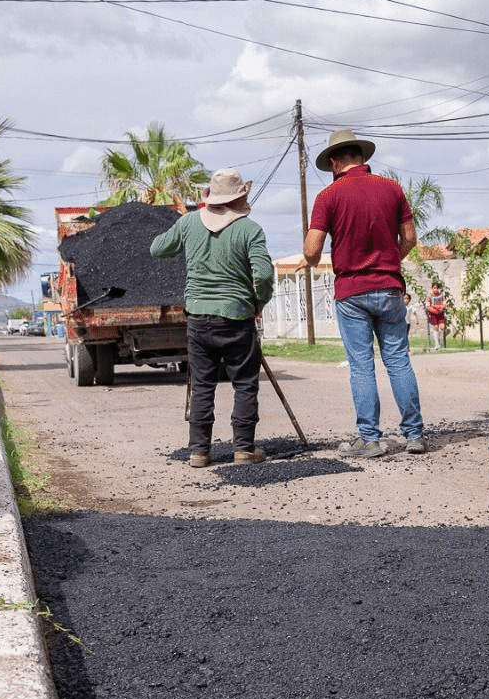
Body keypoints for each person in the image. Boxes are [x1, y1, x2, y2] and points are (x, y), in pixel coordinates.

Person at [304, 129, 427, 458]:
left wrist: (311, 260)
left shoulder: (328, 196)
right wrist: (390, 262)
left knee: (361, 366)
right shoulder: (392, 189)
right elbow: (410, 238)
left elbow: (312, 250)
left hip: (351, 291)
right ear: (361, 157)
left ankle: (370, 439)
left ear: (334, 162)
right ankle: (415, 435)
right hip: (389, 288)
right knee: (398, 360)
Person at [150, 168, 274, 468]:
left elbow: (157, 249)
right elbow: (263, 275)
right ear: (239, 197)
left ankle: (199, 452)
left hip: (198, 318)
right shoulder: (250, 230)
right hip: (237, 317)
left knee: (203, 385)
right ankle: (243, 449)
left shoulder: (189, 222)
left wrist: (186, 235)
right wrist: (258, 303)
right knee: (244, 383)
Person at [425, 282, 449, 348]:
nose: (436, 290)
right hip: (433, 314)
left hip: (440, 313)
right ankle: (437, 343)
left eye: (437, 288)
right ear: (432, 288)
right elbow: (428, 306)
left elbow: (444, 304)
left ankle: (438, 338)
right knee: (436, 327)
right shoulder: (429, 296)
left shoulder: (441, 296)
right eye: (434, 288)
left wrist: (438, 307)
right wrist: (434, 309)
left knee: (442, 327)